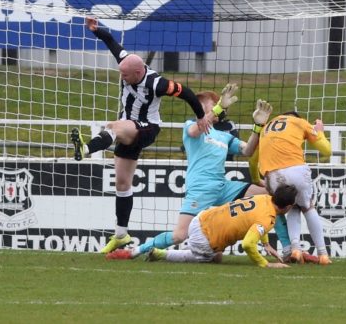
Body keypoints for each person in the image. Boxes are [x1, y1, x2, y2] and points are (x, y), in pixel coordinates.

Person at [72, 17, 224, 254]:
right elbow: (112, 41)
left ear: (138, 71)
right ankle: (121, 235)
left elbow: (187, 92)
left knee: (114, 126)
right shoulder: (126, 63)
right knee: (122, 183)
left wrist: (200, 117)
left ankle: (86, 148)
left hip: (147, 127)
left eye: (126, 76)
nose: (122, 78)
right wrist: (96, 30)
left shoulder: (157, 83)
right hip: (129, 128)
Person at [106, 93, 274, 260]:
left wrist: (258, 127)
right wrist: (218, 108)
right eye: (213, 105)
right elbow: (196, 130)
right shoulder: (190, 126)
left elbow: (248, 150)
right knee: (180, 235)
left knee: (268, 193)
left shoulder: (225, 136)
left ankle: (285, 247)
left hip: (223, 188)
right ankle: (135, 251)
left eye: (221, 105)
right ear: (200, 108)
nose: (220, 109)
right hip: (201, 189)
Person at [147, 185, 298, 268]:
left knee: (217, 257)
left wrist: (265, 244)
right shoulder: (268, 218)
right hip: (205, 237)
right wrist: (265, 264)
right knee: (205, 259)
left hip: (201, 218)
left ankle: (195, 249)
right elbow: (247, 244)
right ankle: (162, 254)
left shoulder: (263, 198)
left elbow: (257, 221)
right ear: (288, 207)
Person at [252, 111, 333, 265]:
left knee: (293, 207)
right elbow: (326, 150)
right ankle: (323, 254)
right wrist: (320, 131)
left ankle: (295, 248)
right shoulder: (299, 122)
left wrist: (256, 179)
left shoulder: (266, 128)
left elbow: (253, 159)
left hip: (272, 176)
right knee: (308, 208)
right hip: (295, 169)